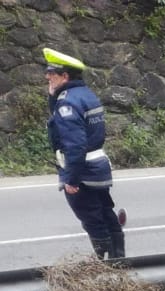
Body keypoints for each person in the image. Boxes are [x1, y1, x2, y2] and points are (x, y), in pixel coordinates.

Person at [43, 47, 125, 260]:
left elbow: (75, 144)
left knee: (91, 218)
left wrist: (72, 178)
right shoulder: (86, 95)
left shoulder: (67, 103)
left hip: (83, 170)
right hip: (97, 165)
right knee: (105, 212)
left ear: (65, 76)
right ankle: (118, 258)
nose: (47, 77)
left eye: (51, 73)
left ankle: (103, 260)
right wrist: (54, 97)